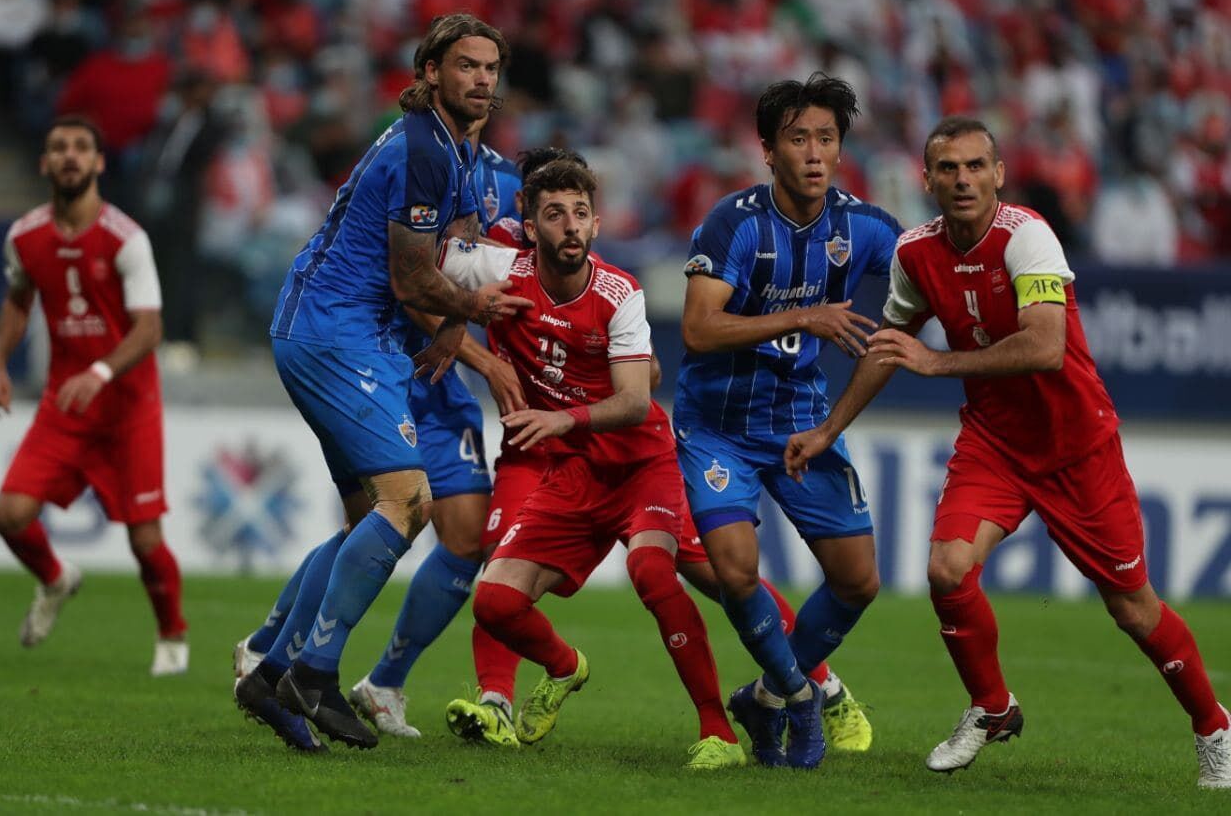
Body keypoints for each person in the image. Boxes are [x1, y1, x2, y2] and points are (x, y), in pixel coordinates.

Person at [783, 116, 1231, 788]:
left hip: (1076, 445)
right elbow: (888, 348)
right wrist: (827, 428)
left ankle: (1214, 729)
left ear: (998, 174)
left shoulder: (1027, 237)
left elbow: (1045, 345)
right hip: (994, 443)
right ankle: (991, 706)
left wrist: (937, 364)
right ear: (927, 180)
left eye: (974, 166)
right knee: (945, 567)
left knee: (1131, 607)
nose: (962, 179)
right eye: (948, 168)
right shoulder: (915, 253)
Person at [231, 13, 530, 752]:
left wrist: (455, 326)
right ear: (430, 71)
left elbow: (458, 238)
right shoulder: (426, 147)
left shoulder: (451, 148)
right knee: (411, 501)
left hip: (331, 328)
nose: (482, 79)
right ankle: (317, 672)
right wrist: (475, 309)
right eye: (466, 65)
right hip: (338, 334)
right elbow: (411, 275)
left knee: (367, 510)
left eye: (491, 67)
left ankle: (269, 674)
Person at [435, 158, 747, 770]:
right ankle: (564, 667)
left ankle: (724, 730)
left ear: (597, 223)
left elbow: (636, 400)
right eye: (554, 215)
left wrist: (562, 419)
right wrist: (463, 335)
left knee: (666, 574)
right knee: (494, 603)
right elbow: (413, 272)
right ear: (529, 226)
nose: (570, 227)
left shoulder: (619, 292)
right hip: (569, 471)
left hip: (638, 465)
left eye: (580, 214)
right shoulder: (498, 269)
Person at [673, 74, 898, 768]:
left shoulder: (864, 227)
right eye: (798, 139)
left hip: (799, 424)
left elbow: (921, 292)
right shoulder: (733, 223)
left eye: (826, 139)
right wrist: (806, 314)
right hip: (718, 427)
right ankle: (802, 700)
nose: (814, 153)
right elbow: (699, 329)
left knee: (859, 579)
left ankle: (768, 694)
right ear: (767, 150)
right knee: (737, 571)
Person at [0, 115, 188, 677]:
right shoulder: (24, 236)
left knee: (145, 540)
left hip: (127, 409)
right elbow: (18, 299)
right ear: (44, 163)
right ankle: (55, 579)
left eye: (80, 148)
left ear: (99, 162)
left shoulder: (126, 238)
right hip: (65, 407)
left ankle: (172, 633)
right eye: (58, 148)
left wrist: (99, 371)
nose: (69, 156)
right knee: (10, 514)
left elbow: (149, 329)